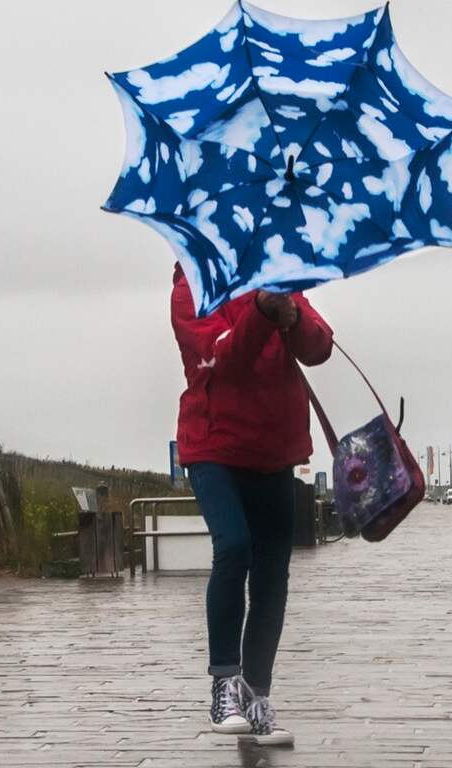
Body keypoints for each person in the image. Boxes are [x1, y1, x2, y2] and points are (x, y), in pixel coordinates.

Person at [171, 263, 333, 747]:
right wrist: (262, 313)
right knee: (235, 547)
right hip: (213, 446)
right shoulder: (190, 288)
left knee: (272, 576)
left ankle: (256, 695)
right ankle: (224, 682)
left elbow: (319, 347)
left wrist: (292, 315)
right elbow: (220, 360)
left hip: (275, 449)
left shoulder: (277, 274)